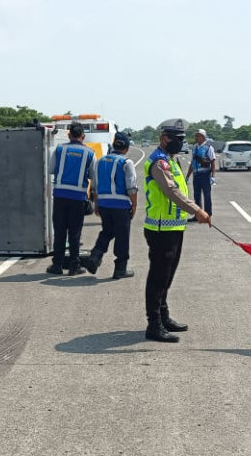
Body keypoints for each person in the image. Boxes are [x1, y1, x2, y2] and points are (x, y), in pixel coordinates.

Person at [143, 118, 211, 343]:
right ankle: (153, 324)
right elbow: (171, 191)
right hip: (160, 228)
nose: (181, 143)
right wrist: (197, 210)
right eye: (178, 139)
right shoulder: (158, 162)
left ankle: (163, 316)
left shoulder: (172, 160)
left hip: (174, 227)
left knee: (167, 276)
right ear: (164, 138)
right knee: (158, 277)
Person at [82, 132, 138, 279]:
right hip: (121, 205)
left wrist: (97, 203)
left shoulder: (101, 161)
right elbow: (131, 187)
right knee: (122, 236)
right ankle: (120, 269)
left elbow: (95, 184)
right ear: (126, 148)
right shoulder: (126, 163)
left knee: (107, 231)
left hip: (105, 204)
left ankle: (95, 257)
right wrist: (134, 205)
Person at [47, 122, 97, 276]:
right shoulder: (89, 153)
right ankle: (74, 266)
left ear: (69, 135)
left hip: (61, 196)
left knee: (60, 231)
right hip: (78, 197)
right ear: (83, 136)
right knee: (75, 233)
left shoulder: (60, 149)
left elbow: (50, 169)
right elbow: (93, 176)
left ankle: (57, 265)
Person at [185, 129, 216, 222]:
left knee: (207, 196)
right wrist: (187, 176)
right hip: (196, 174)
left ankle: (208, 215)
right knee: (196, 196)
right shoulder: (195, 147)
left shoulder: (208, 147)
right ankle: (197, 215)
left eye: (198, 136)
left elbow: (213, 162)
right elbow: (192, 162)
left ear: (203, 137)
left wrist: (213, 176)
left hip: (205, 174)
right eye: (196, 135)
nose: (196, 137)